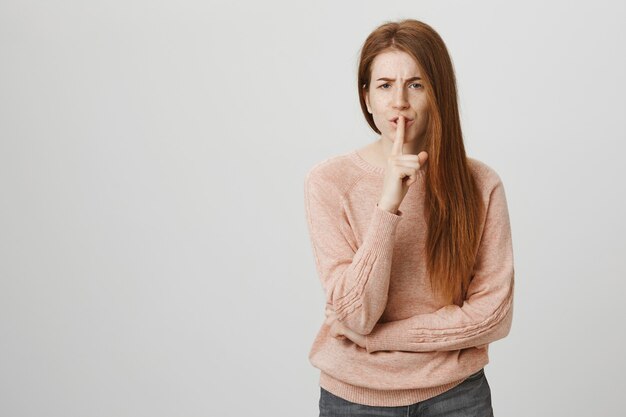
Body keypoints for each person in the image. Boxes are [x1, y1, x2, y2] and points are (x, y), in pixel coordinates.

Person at [303, 19, 515, 416]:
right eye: (384, 85)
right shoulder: (329, 182)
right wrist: (387, 206)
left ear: (439, 93)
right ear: (366, 97)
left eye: (415, 84)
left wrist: (379, 339)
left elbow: (493, 317)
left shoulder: (481, 184)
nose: (399, 100)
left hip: (456, 396)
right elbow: (356, 314)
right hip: (355, 399)